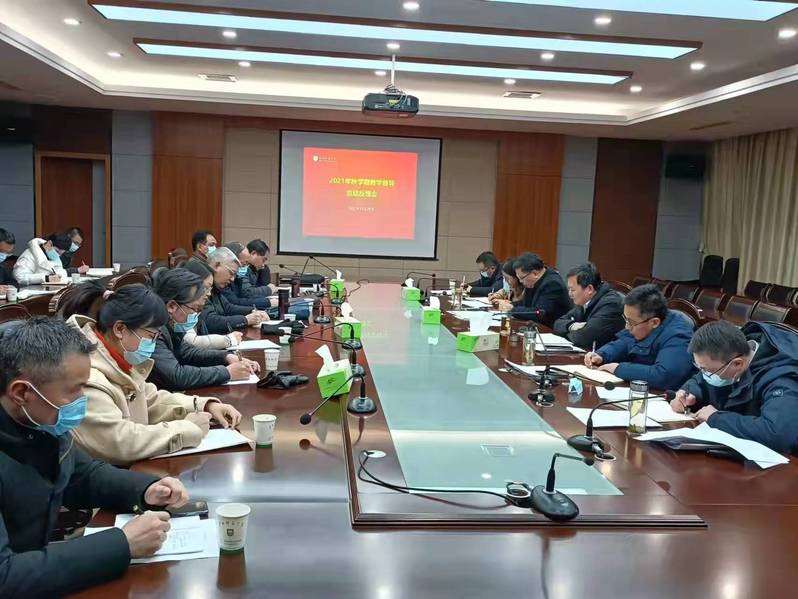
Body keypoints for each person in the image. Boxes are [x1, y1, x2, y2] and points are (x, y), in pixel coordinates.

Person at [0, 317, 191, 596]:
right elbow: (5, 577)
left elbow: (82, 475)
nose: (83, 399)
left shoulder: (39, 420)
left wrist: (147, 489)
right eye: (75, 390)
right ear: (21, 392)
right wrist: (122, 544)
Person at [59, 282, 242, 465]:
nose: (153, 343)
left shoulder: (117, 358)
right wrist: (187, 429)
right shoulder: (86, 377)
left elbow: (150, 400)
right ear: (120, 329)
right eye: (151, 336)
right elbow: (120, 442)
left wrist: (203, 406)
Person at [671, 320, 798, 454]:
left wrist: (716, 418)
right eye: (700, 368)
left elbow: (777, 434)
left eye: (707, 370)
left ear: (737, 364)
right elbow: (700, 378)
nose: (704, 374)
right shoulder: (729, 352)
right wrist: (688, 392)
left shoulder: (783, 380)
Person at [150, 268, 259, 392]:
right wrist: (227, 372)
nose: (196, 315)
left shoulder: (171, 322)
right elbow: (176, 376)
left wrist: (226, 357)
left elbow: (187, 352)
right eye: (195, 309)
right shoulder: (151, 329)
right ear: (172, 306)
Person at [584, 284, 695, 390]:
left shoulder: (679, 336)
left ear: (654, 322)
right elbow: (624, 342)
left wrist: (618, 369)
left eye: (631, 322)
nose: (627, 327)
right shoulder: (641, 325)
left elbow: (663, 376)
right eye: (626, 320)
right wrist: (602, 355)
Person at [553, 263, 625, 350]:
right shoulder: (584, 300)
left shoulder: (611, 304)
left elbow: (584, 339)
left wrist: (565, 333)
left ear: (589, 289)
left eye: (573, 290)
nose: (569, 294)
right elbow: (558, 323)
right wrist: (572, 326)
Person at [203, 247, 268, 334]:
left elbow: (228, 307)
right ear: (216, 265)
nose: (232, 279)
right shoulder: (200, 284)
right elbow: (210, 321)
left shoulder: (215, 286)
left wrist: (253, 311)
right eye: (231, 273)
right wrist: (246, 320)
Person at [181, 259, 243, 350]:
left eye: (210, 288)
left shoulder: (196, 306)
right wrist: (228, 340)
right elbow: (191, 342)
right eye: (205, 288)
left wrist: (224, 356)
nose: (209, 293)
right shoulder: (182, 307)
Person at [510, 252, 572, 327]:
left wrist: (512, 309)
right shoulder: (533, 281)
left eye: (521, 278)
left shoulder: (552, 284)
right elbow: (526, 304)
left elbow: (539, 313)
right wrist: (510, 305)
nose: (520, 281)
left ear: (534, 273)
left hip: (552, 329)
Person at [220, 242, 273, 310]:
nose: (245, 267)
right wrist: (267, 302)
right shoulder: (223, 281)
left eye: (247, 264)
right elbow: (236, 302)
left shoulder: (237, 277)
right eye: (244, 264)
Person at [0, 228, 17, 293]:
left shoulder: (3, 266)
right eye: (1, 251)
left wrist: (10, 287)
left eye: (7, 253)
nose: (3, 256)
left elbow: (13, 282)